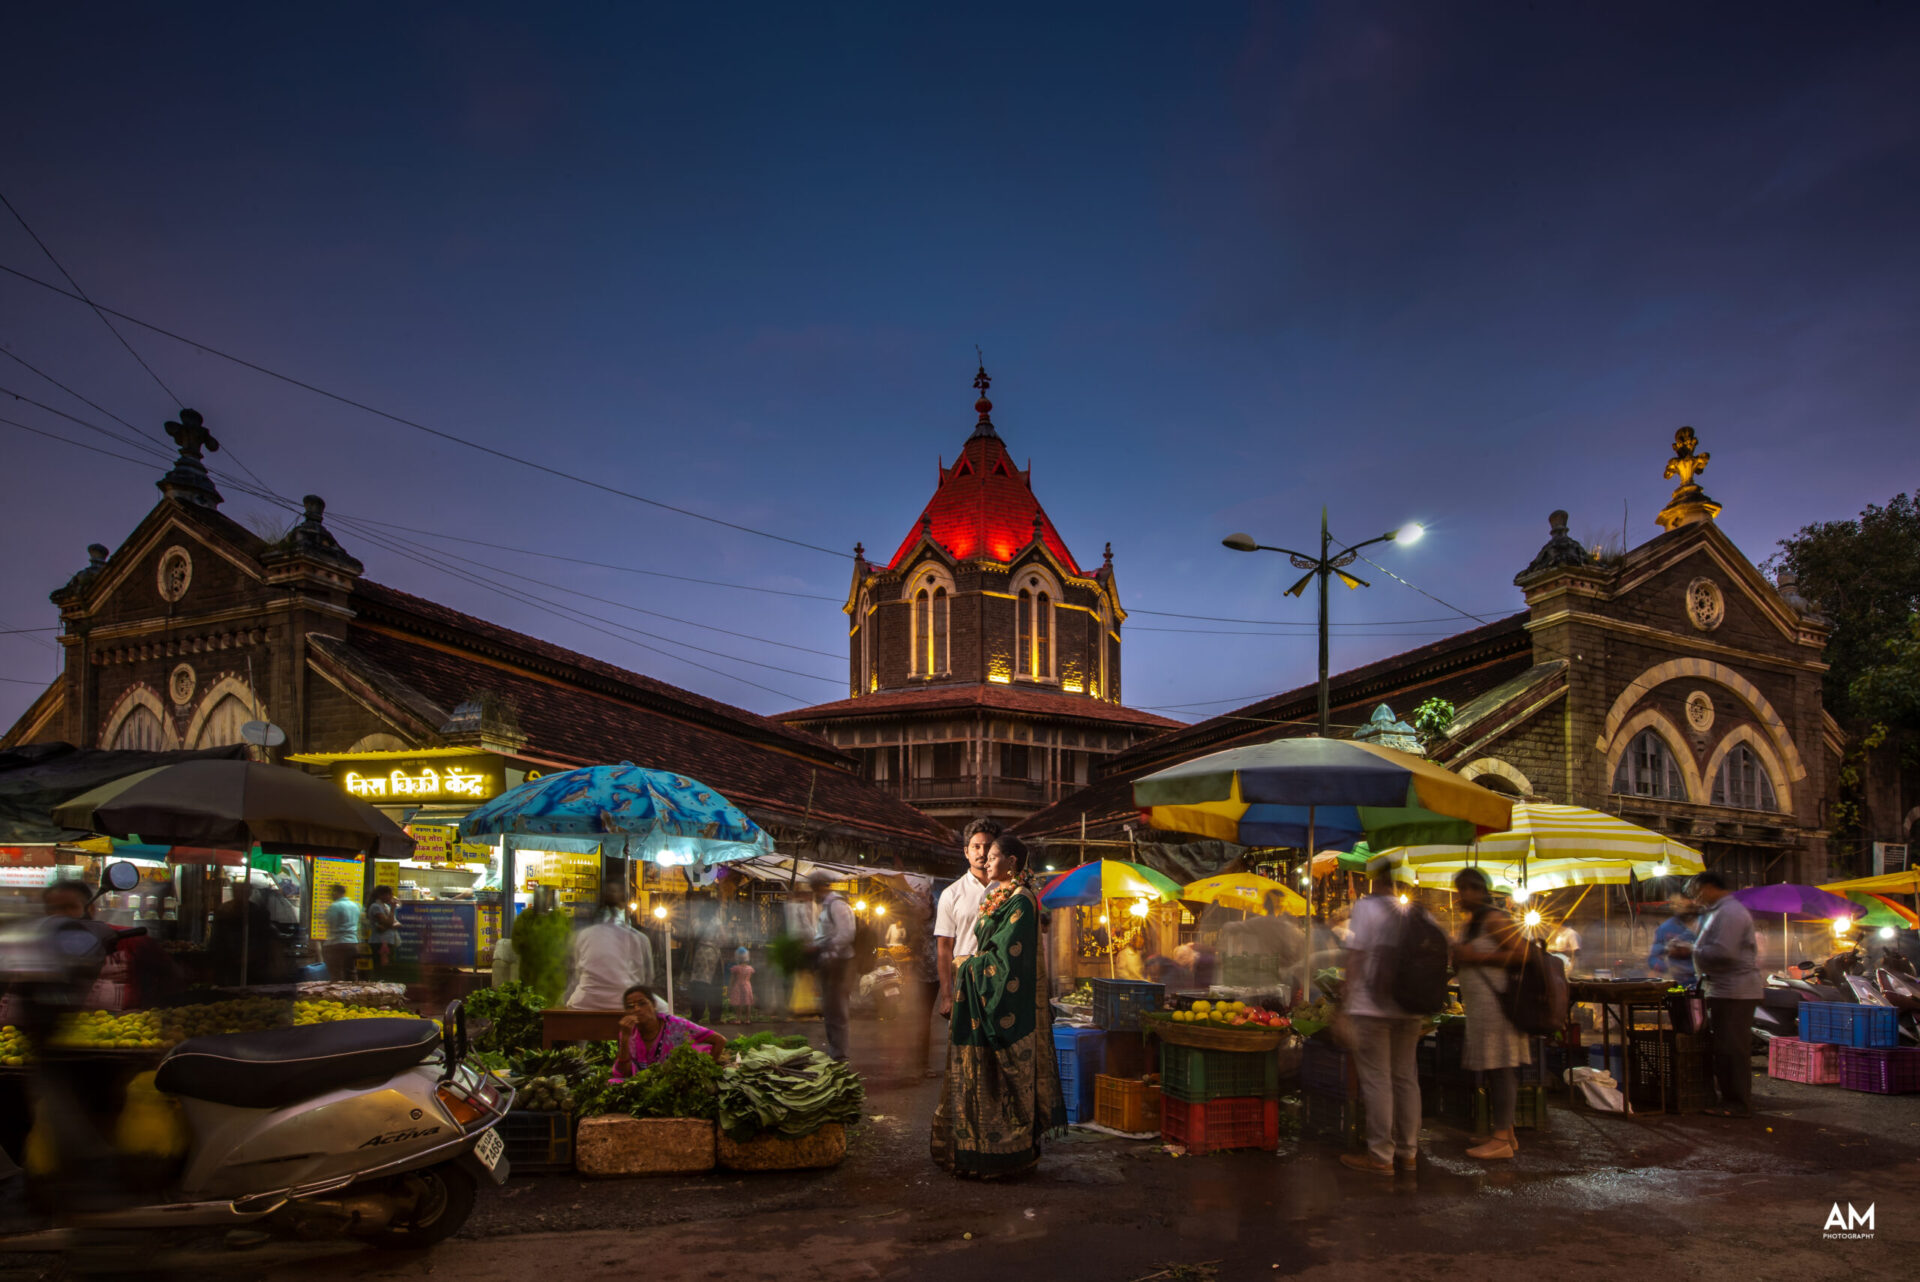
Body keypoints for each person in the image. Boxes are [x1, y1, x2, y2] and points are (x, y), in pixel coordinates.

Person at [930, 834, 1064, 1178]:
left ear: (1012, 862)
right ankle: (972, 1151)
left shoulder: (1021, 902)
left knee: (1001, 1081)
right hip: (980, 1001)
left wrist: (965, 964)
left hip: (1007, 1006)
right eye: (983, 855)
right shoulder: (999, 897)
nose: (986, 862)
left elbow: (1005, 964)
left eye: (992, 856)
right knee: (979, 1076)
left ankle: (1004, 1156)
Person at [1338, 868, 1424, 1175]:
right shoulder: (1414, 909)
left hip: (1372, 1006)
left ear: (1372, 879)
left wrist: (1346, 1000)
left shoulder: (1366, 907)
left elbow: (1356, 956)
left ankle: (1380, 1156)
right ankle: (1409, 1152)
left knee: (1378, 1080)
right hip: (1410, 1007)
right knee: (1405, 1078)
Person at [1451, 868, 1533, 1160]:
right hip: (1482, 1007)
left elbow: (1523, 953)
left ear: (1478, 890)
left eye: (1464, 890)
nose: (1460, 897)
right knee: (1495, 1067)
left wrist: (1476, 957)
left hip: (1499, 1007)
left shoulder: (1496, 918)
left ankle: (1500, 1140)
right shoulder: (1474, 922)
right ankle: (1505, 1132)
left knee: (1502, 1068)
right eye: (1458, 890)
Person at [1668, 871, 1762, 1118]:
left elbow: (1724, 952)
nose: (1694, 898)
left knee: (1732, 1048)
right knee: (1723, 1046)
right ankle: (1730, 1098)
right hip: (1722, 988)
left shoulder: (1730, 912)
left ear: (1709, 886)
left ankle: (1738, 1103)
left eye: (1695, 891)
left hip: (1736, 990)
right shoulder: (1716, 912)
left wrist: (1690, 949)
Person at [936, 818, 1000, 1018]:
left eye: (988, 847)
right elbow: (944, 947)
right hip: (965, 982)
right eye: (976, 847)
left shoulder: (1009, 889)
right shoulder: (951, 894)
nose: (982, 853)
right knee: (965, 1046)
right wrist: (947, 996)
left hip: (1001, 981)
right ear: (966, 852)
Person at [610, 984, 727, 1082]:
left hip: (675, 1082)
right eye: (630, 1006)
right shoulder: (629, 1031)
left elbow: (719, 1040)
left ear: (654, 1005)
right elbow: (625, 1072)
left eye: (642, 1003)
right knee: (613, 1083)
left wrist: (706, 1073)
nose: (637, 1009)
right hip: (643, 1083)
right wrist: (625, 1037)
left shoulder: (677, 1025)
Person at [563, 885, 655, 1010]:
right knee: (665, 1010)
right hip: (624, 1002)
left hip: (584, 1002)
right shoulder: (638, 938)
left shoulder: (583, 935)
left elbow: (576, 974)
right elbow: (646, 979)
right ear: (626, 907)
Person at [808, 870, 857, 1060]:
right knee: (830, 1010)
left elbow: (847, 934)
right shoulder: (827, 906)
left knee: (837, 1010)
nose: (814, 894)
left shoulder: (837, 905)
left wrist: (824, 947)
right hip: (830, 963)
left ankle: (840, 1055)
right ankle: (835, 1051)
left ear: (821, 887)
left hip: (840, 964)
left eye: (814, 889)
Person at [1648, 894, 1699, 985]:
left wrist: (1691, 949)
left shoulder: (1705, 924)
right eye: (1674, 904)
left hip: (1704, 984)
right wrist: (1668, 967)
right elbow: (1654, 958)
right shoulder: (1666, 928)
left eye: (1682, 904)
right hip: (1678, 984)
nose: (1676, 907)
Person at [322, 884, 361, 981]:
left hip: (336, 943)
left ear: (336, 892)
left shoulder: (335, 906)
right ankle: (353, 993)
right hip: (352, 942)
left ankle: (337, 994)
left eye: (331, 892)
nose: (330, 895)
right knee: (351, 972)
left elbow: (331, 924)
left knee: (336, 974)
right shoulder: (355, 905)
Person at [368, 885, 402, 975]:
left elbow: (396, 923)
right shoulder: (376, 907)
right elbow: (388, 922)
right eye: (389, 894)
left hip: (388, 941)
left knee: (387, 969)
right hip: (380, 942)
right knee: (382, 969)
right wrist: (393, 909)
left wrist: (386, 926)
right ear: (381, 895)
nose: (391, 897)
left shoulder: (385, 907)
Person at [727, 946, 757, 1020]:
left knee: (739, 1003)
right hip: (747, 986)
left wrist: (730, 987)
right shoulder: (750, 968)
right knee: (748, 1003)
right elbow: (751, 979)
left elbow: (732, 979)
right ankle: (747, 1019)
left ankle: (738, 1019)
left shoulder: (736, 968)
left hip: (738, 986)